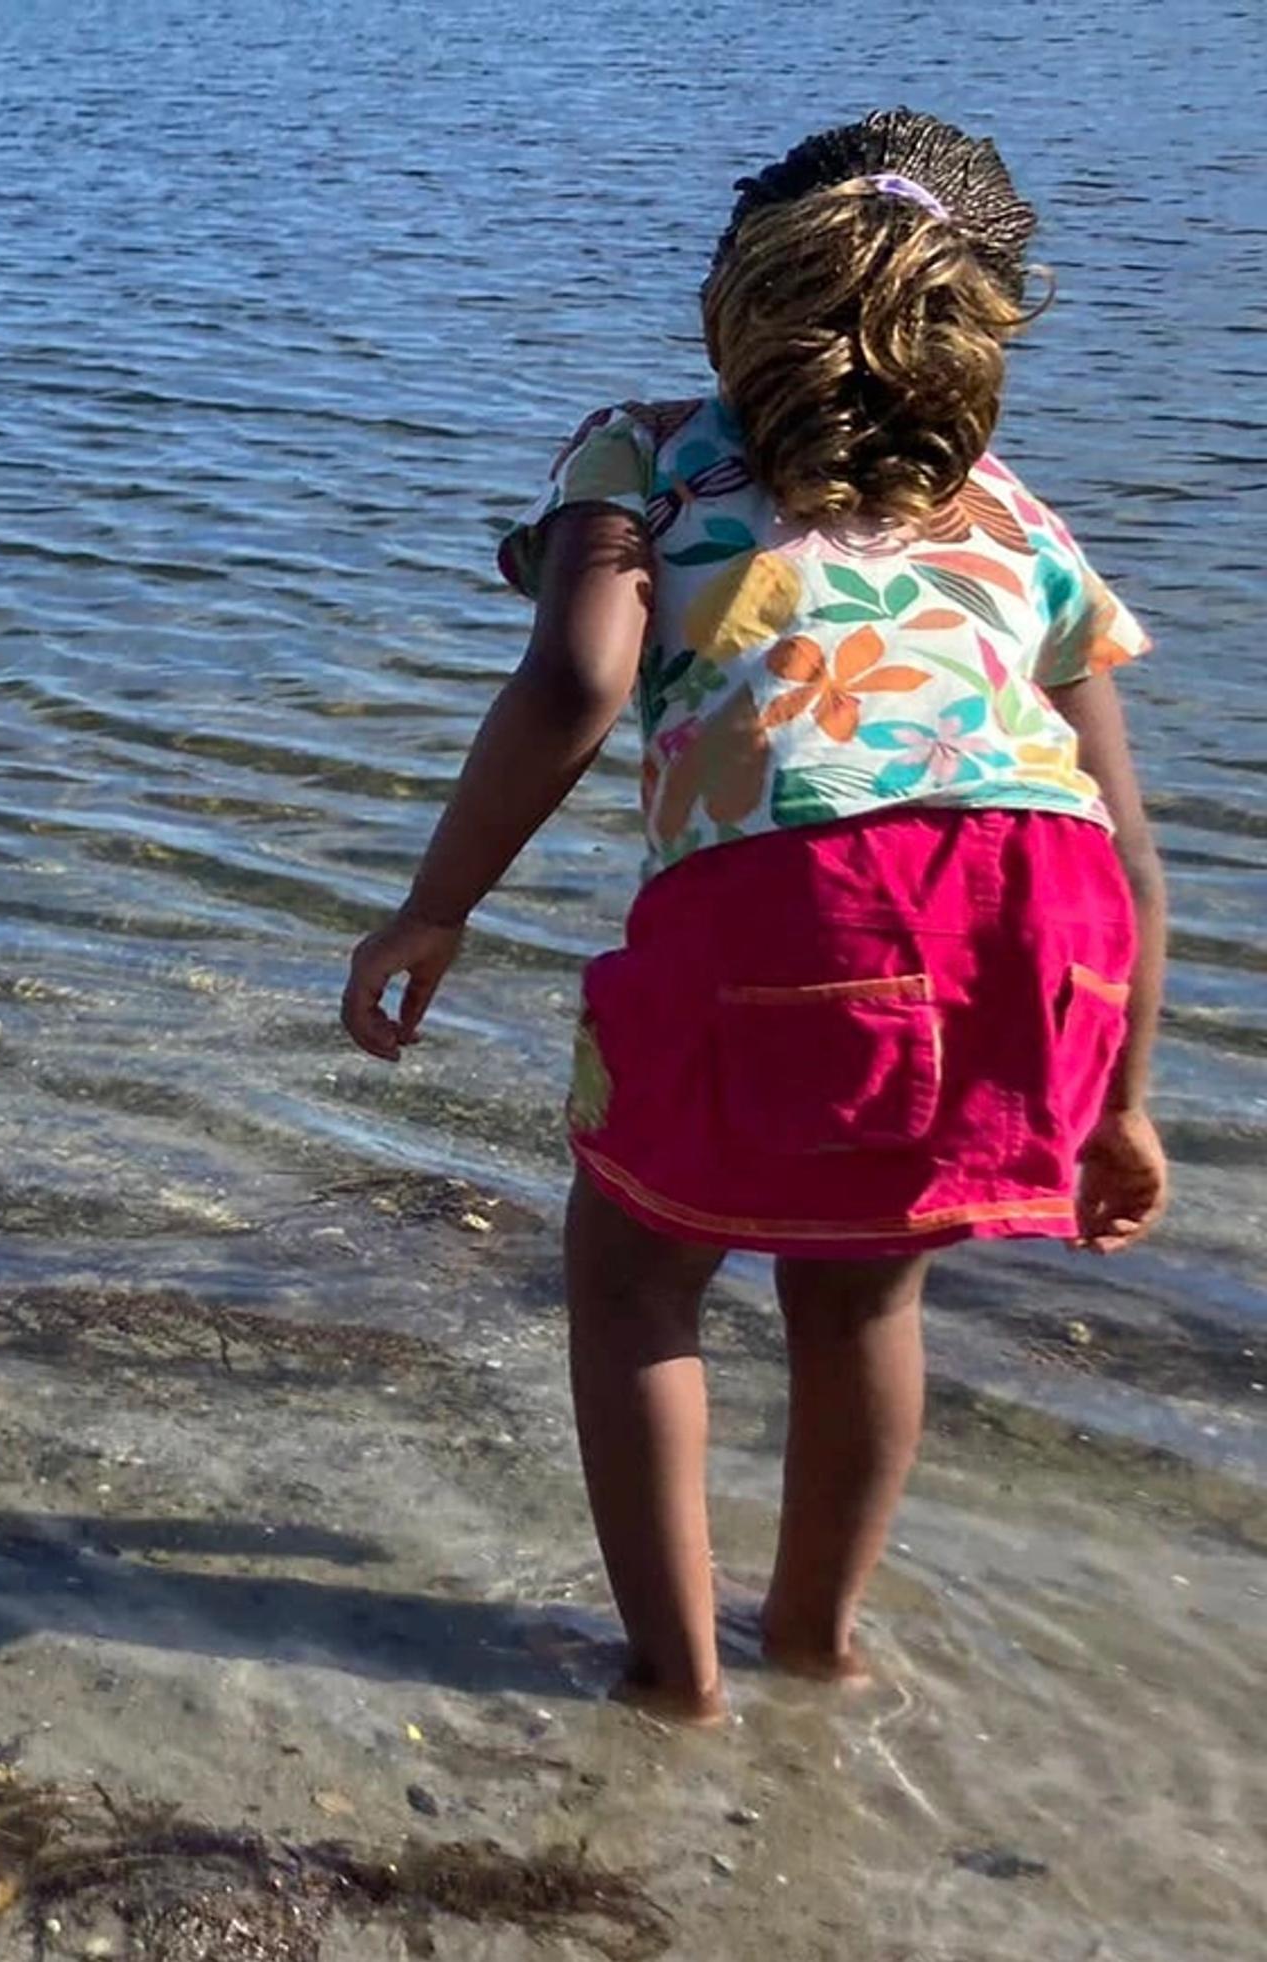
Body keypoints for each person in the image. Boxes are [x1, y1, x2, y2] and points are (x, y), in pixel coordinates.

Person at [341, 110, 1171, 1724]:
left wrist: (431, 908)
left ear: (736, 293)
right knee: (865, 1290)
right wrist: (1123, 1097)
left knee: (636, 1275)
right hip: (1041, 916)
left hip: (798, 896)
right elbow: (1130, 851)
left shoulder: (643, 450)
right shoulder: (1020, 518)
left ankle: (672, 1681)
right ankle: (818, 1638)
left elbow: (579, 677)